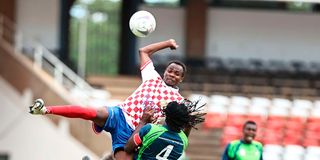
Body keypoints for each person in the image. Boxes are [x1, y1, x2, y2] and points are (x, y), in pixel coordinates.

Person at [29, 39, 187, 159]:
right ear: (165, 71)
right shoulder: (152, 77)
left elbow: (177, 123)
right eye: (170, 70)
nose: (172, 74)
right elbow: (143, 51)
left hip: (132, 132)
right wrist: (168, 43)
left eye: (176, 74)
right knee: (91, 112)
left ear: (181, 79)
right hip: (119, 114)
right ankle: (44, 109)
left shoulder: (178, 101)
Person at [123, 100, 206, 160]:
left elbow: (127, 148)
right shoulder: (183, 140)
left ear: (166, 115)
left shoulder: (150, 129)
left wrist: (142, 122)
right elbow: (183, 135)